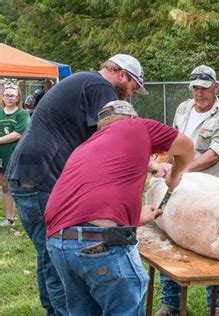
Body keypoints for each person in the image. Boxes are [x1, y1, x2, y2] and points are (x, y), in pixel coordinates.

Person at [6, 53, 147, 316]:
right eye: (133, 87)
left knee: (49, 254)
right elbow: (114, 139)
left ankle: (54, 310)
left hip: (31, 176)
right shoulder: (99, 87)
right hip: (41, 178)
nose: (130, 95)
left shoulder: (85, 83)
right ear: (122, 75)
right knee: (56, 258)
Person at [44, 100, 194, 315]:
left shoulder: (84, 147)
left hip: (58, 242)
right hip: (99, 241)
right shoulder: (137, 126)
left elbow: (90, 203)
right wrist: (174, 175)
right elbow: (187, 148)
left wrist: (134, 217)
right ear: (132, 117)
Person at [157, 65, 219, 316]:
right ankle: (170, 303)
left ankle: (216, 306)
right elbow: (173, 140)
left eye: (204, 88)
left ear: (215, 86)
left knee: (216, 245)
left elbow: (215, 154)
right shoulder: (183, 108)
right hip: (178, 188)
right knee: (169, 241)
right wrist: (167, 167)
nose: (199, 93)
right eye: (195, 88)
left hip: (209, 191)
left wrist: (183, 170)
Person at [0, 83, 30, 226]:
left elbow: (18, 134)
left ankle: (20, 218)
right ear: (2, 96)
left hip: (13, 155)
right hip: (0, 155)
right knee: (4, 187)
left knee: (16, 187)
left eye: (12, 95)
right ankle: (9, 219)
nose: (9, 98)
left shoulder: (22, 114)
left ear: (18, 97)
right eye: (6, 95)